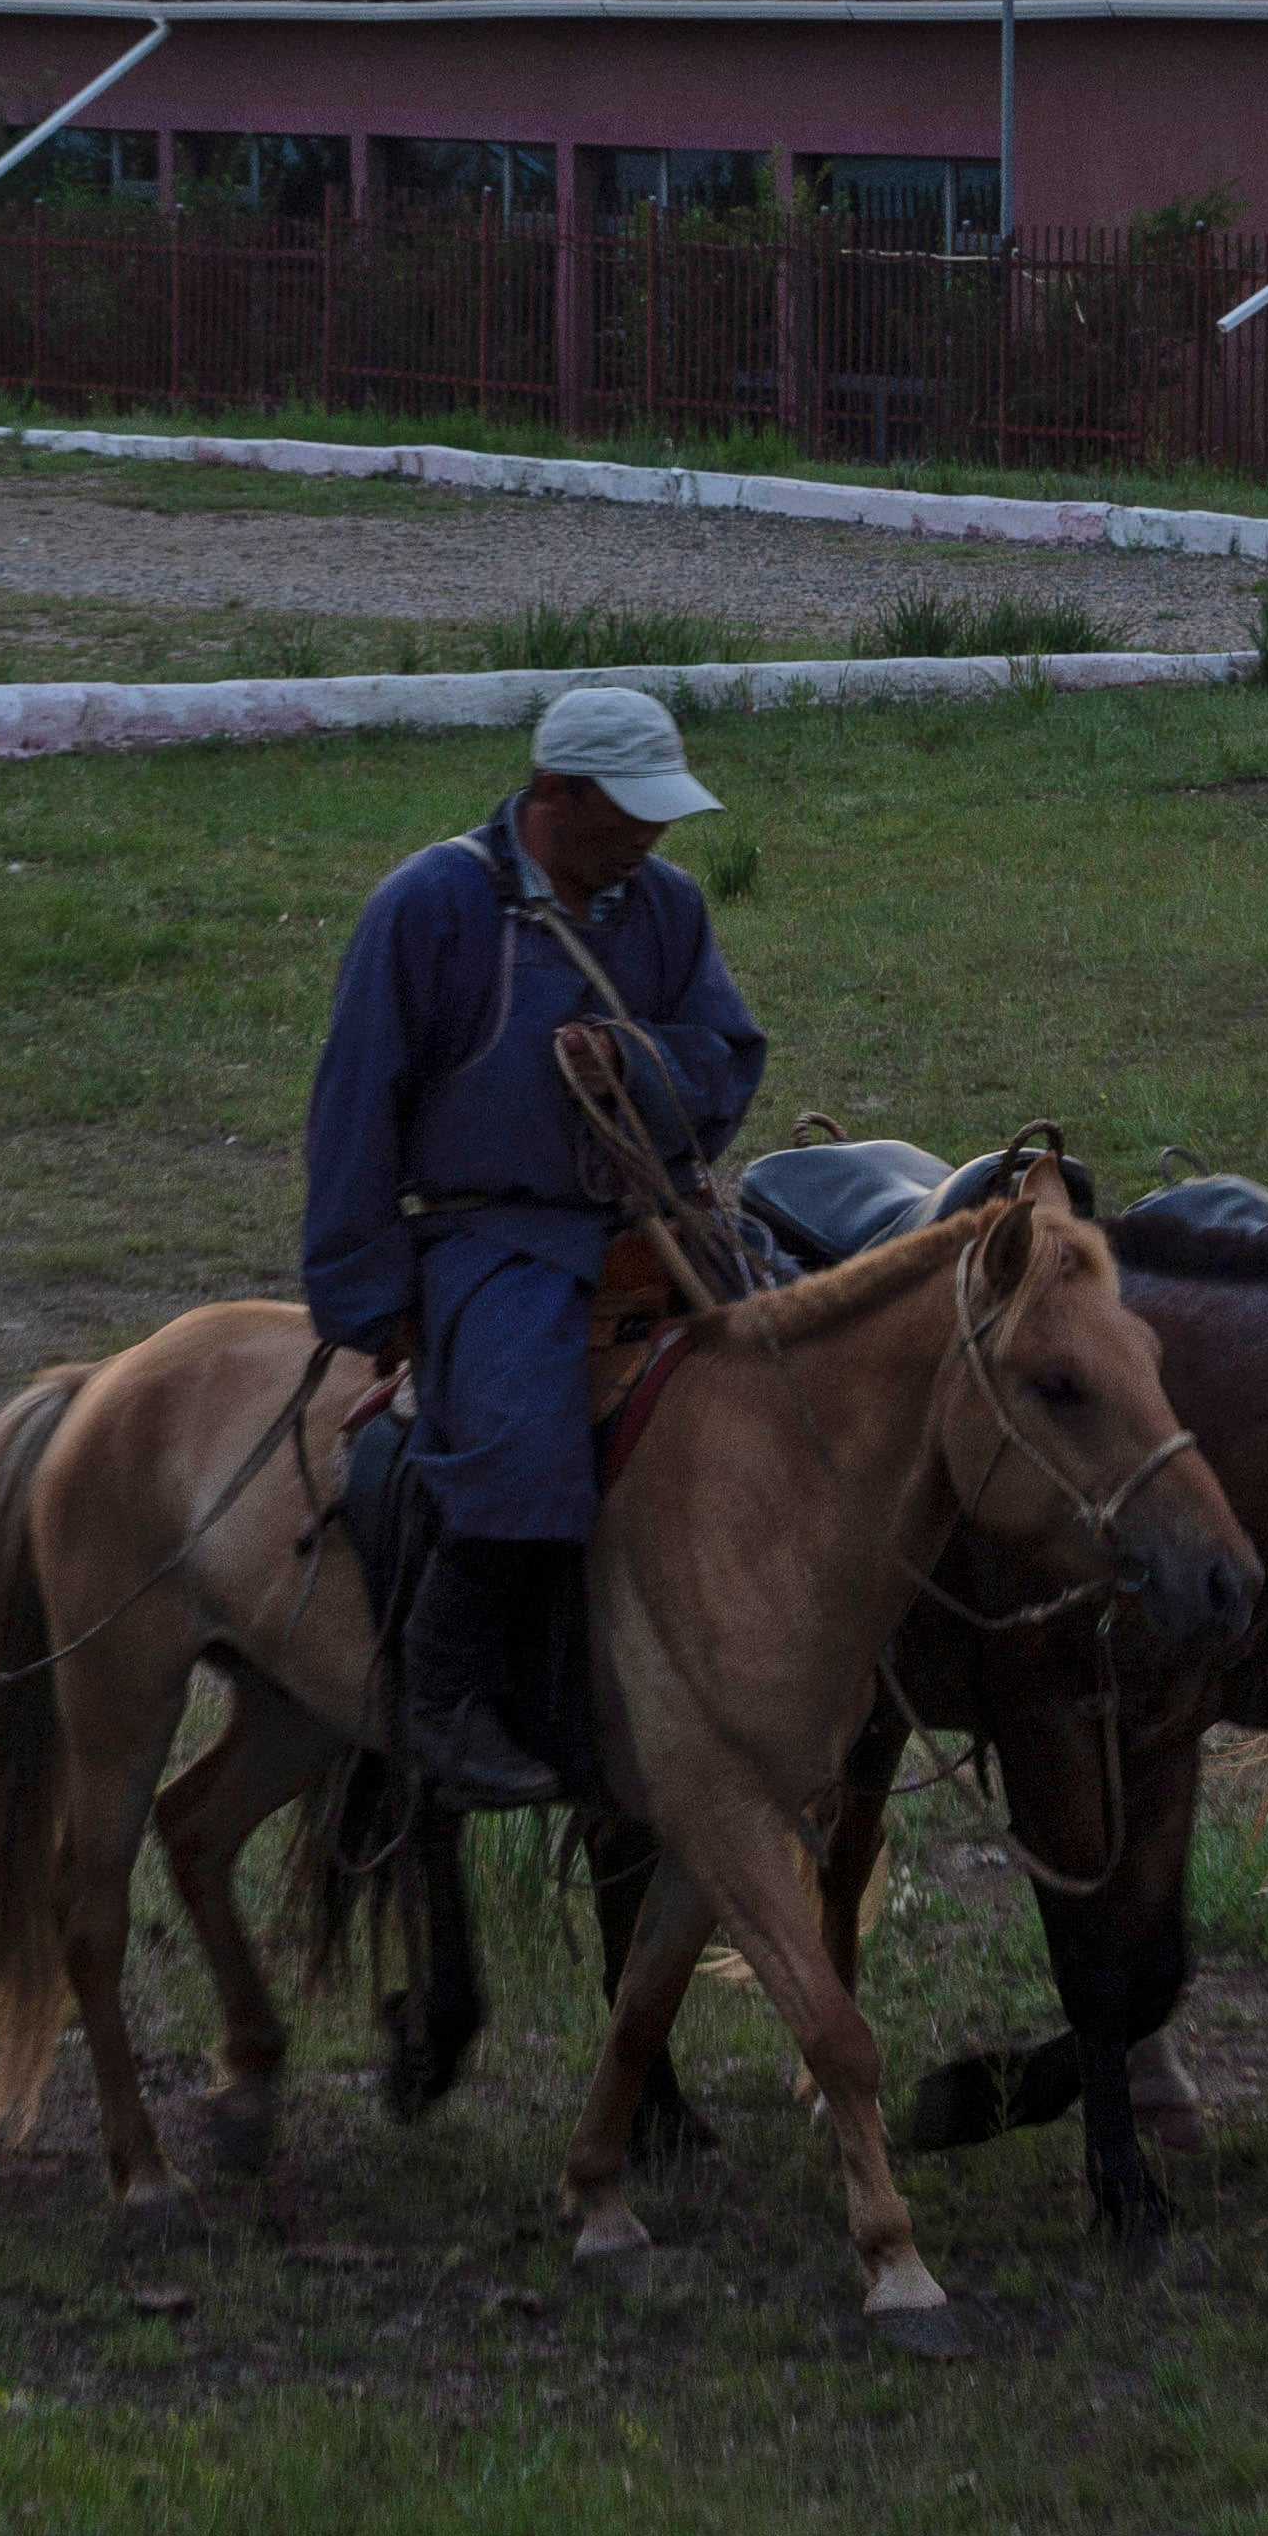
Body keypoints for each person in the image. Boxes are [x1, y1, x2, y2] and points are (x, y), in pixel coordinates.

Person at [297, 683, 763, 1807]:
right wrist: (373, 1306)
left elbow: (726, 1059)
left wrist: (635, 1062)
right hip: (492, 1236)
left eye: (661, 815)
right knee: (516, 1437)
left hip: (651, 1223)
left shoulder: (667, 906)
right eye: (629, 813)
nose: (651, 836)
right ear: (554, 793)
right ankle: (443, 1695)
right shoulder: (431, 907)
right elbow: (354, 1108)